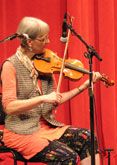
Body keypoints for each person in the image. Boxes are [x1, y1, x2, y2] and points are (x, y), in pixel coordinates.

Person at [1, 16, 101, 165]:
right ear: (29, 42)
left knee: (87, 137)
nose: (48, 42)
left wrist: (84, 86)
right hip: (21, 133)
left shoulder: (45, 63)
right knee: (68, 157)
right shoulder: (11, 66)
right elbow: (9, 107)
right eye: (43, 39)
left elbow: (55, 99)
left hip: (47, 127)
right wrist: (42, 98)